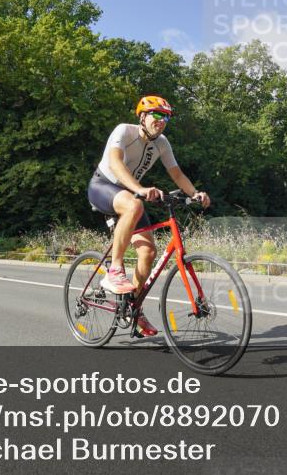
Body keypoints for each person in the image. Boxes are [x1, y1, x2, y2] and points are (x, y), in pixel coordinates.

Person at [87, 95, 209, 336]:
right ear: (143, 117)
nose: (162, 121)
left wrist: (195, 193)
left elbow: (177, 174)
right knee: (134, 205)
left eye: (166, 117)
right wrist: (140, 189)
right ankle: (115, 270)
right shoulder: (124, 131)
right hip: (103, 186)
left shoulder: (162, 143)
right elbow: (116, 163)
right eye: (157, 115)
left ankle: (133, 305)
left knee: (149, 252)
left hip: (131, 193)